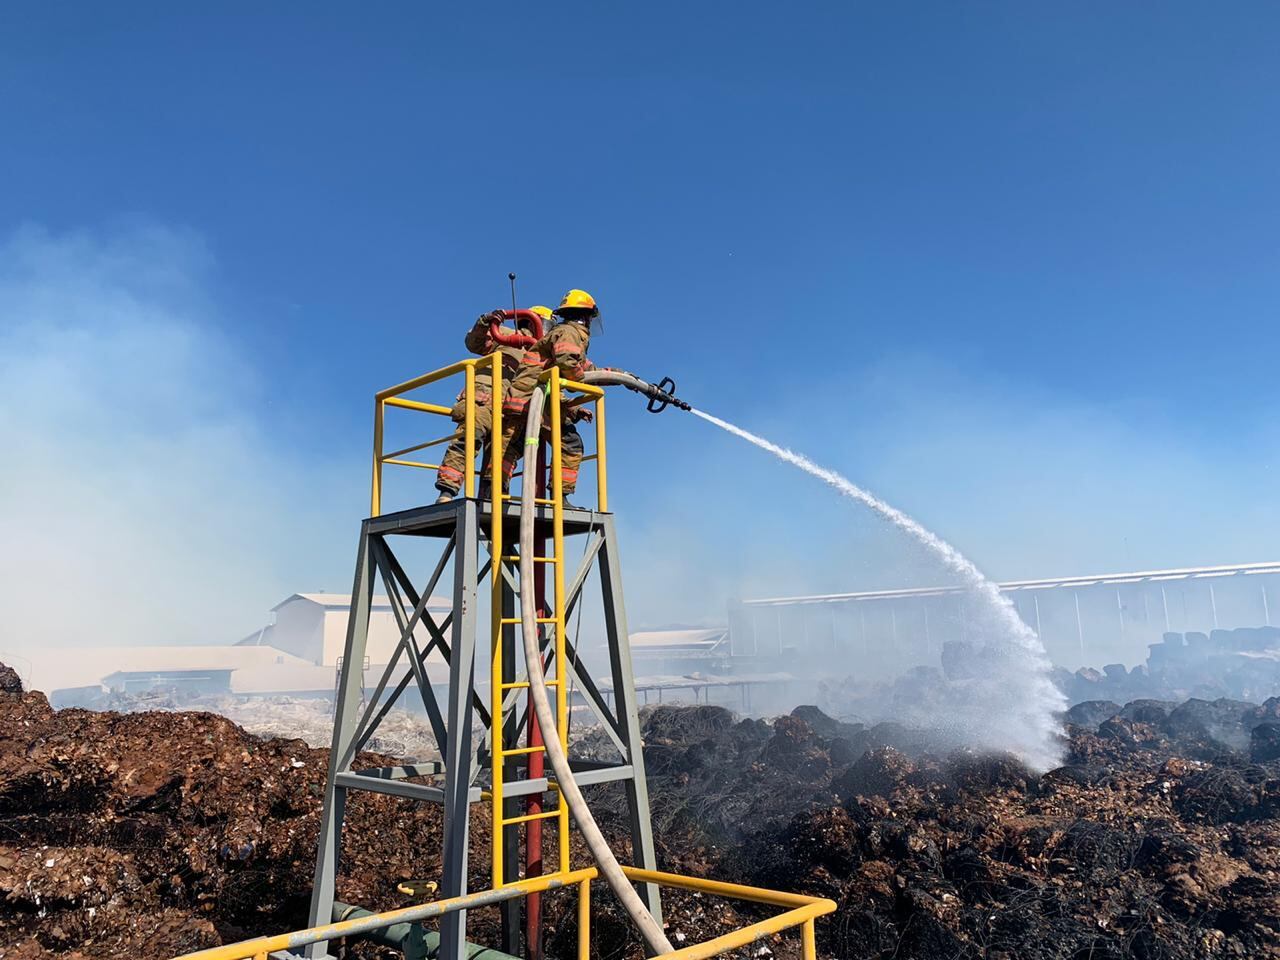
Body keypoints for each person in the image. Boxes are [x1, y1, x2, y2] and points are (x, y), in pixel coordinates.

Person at [498, 289, 606, 506]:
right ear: (584, 316)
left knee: (514, 445)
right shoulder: (570, 333)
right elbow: (569, 366)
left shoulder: (564, 334)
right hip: (530, 399)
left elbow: (588, 369)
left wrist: (624, 378)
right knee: (564, 443)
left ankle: (496, 493)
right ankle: (554, 496)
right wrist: (580, 382)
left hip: (536, 401)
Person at [434, 306, 552, 503]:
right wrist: (486, 321)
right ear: (533, 323)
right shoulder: (507, 335)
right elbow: (474, 343)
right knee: (471, 435)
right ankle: (447, 491)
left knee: (505, 452)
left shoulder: (544, 353)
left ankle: (494, 496)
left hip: (511, 409)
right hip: (485, 398)